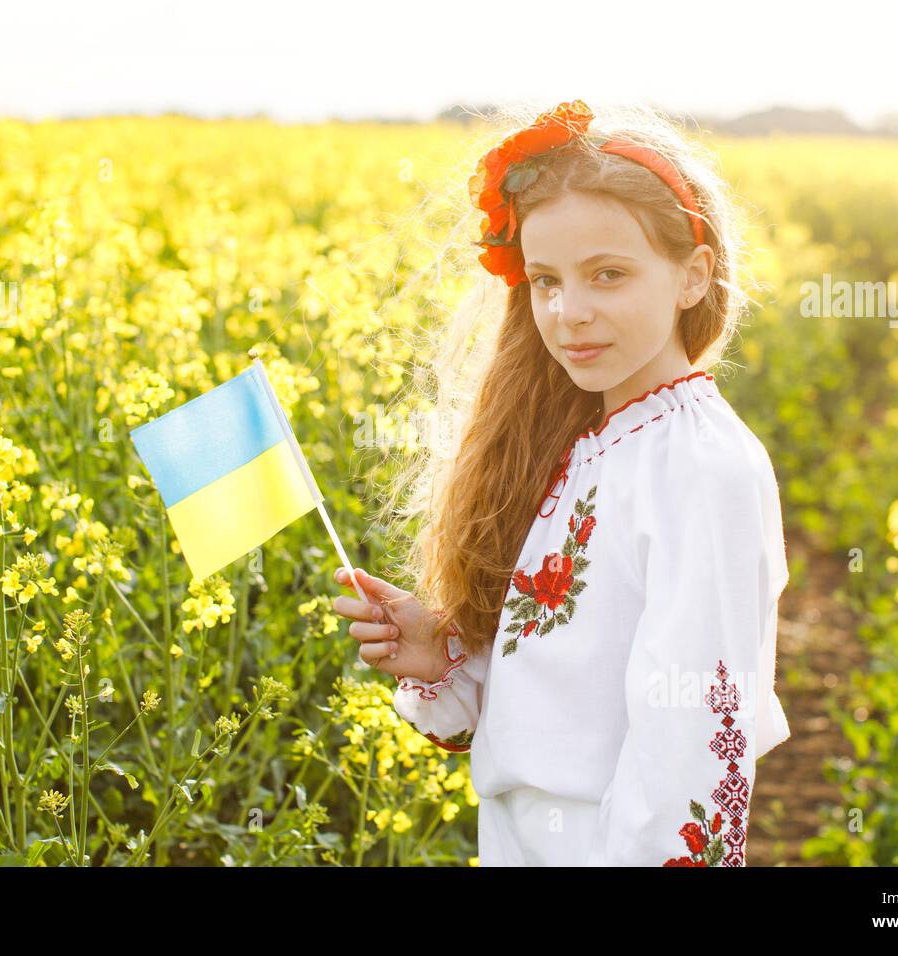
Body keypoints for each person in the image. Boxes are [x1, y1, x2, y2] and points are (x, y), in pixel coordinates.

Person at [332, 100, 790, 866]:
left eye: (607, 275)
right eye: (545, 281)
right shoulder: (584, 443)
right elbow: (568, 688)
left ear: (692, 276)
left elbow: (691, 746)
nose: (568, 313)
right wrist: (449, 660)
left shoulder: (701, 466)